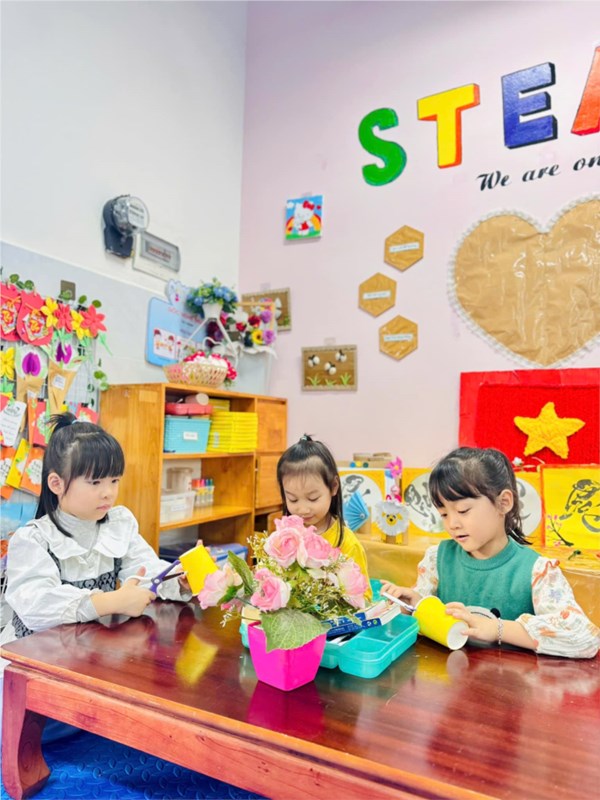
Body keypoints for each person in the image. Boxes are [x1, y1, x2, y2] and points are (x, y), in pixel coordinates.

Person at [0, 412, 192, 652]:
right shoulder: (34, 539)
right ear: (57, 483)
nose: (108, 493)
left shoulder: (118, 524)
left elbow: (145, 572)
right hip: (33, 657)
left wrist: (178, 579)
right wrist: (111, 602)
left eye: (114, 481)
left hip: (89, 651)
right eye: (95, 482)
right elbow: (36, 606)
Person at [382, 447, 599, 659]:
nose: (452, 524)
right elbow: (430, 621)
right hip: (452, 677)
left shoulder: (537, 571)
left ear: (503, 503)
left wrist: (497, 629)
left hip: (510, 680)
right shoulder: (437, 559)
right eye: (444, 514)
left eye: (463, 510)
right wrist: (415, 605)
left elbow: (584, 638)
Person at [276, 434, 371, 590]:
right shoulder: (285, 537)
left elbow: (363, 596)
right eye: (293, 499)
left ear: (333, 487)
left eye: (313, 498)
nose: (303, 509)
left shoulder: (348, 544)